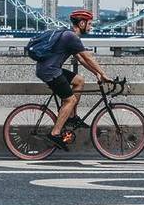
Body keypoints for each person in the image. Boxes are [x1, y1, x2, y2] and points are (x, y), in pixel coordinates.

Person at [35, 9, 111, 150]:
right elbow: (88, 57)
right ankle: (55, 133)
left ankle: (72, 117)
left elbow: (81, 59)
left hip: (50, 68)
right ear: (82, 23)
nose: (90, 27)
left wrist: (96, 73)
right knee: (70, 100)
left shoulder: (68, 35)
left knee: (79, 81)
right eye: (89, 24)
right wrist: (103, 74)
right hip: (50, 71)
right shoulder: (71, 37)